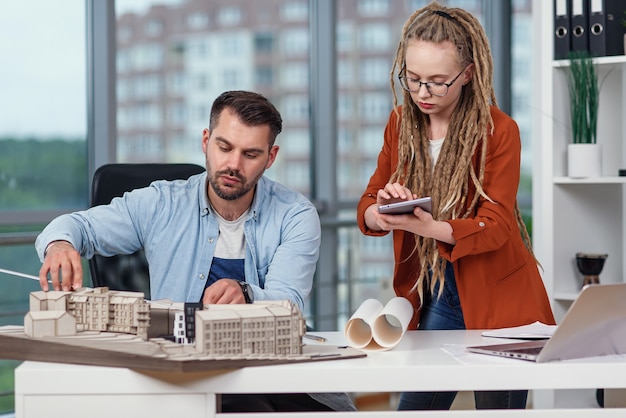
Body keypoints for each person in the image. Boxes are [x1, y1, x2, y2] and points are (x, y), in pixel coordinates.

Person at [36, 90, 355, 413]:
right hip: (187, 375)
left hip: (271, 370)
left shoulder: (295, 214)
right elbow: (78, 227)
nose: (233, 164)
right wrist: (60, 244)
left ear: (270, 157)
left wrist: (245, 293)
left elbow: (289, 303)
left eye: (251, 154)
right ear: (206, 141)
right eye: (224, 147)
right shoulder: (162, 203)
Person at [356, 2, 555, 411]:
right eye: (412, 79)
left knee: (497, 410)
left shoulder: (499, 130)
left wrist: (428, 227)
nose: (423, 94)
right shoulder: (400, 123)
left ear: (467, 74)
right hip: (435, 289)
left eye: (437, 81)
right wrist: (383, 211)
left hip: (496, 294)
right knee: (416, 407)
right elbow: (370, 200)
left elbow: (497, 224)